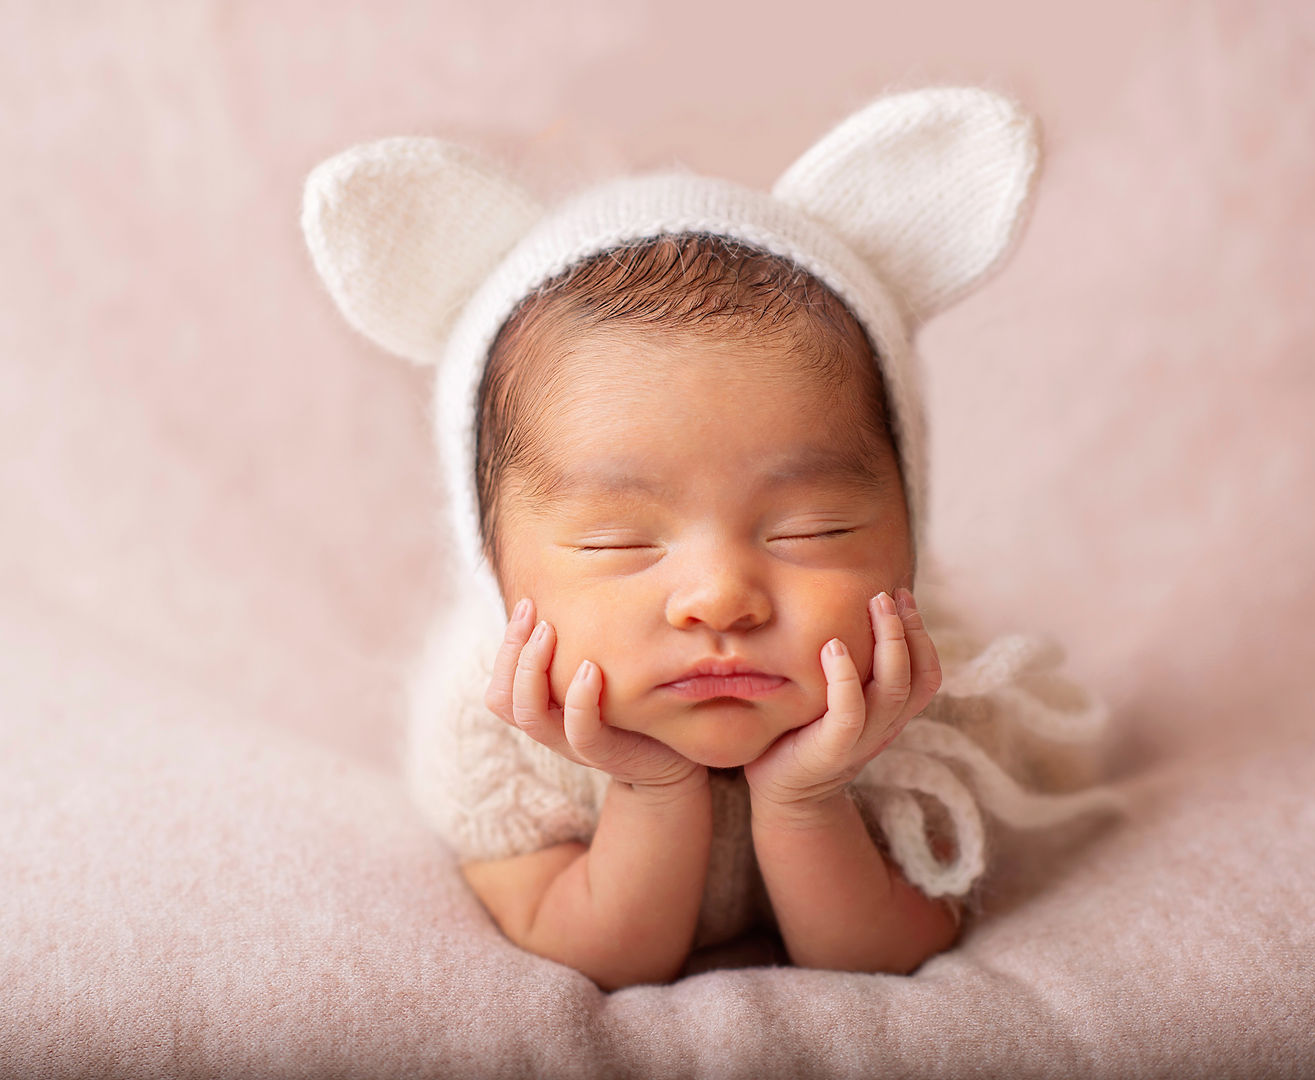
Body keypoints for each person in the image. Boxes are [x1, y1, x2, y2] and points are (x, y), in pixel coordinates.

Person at [301, 86, 1126, 993]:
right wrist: (650, 790)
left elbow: (889, 953)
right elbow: (581, 948)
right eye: (617, 543)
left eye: (810, 528)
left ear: (906, 536)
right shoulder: (494, 722)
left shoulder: (921, 702)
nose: (720, 596)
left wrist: (805, 799)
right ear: (492, 574)